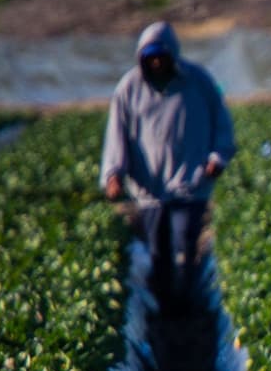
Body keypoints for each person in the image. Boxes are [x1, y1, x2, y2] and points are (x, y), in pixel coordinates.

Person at [100, 20, 236, 309]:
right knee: (158, 251)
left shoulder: (198, 82)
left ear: (173, 54)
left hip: (191, 182)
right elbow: (116, 135)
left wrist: (217, 158)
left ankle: (186, 305)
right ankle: (165, 308)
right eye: (150, 57)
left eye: (162, 56)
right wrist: (114, 173)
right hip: (149, 187)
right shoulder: (129, 89)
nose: (157, 62)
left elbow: (222, 124)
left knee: (185, 244)